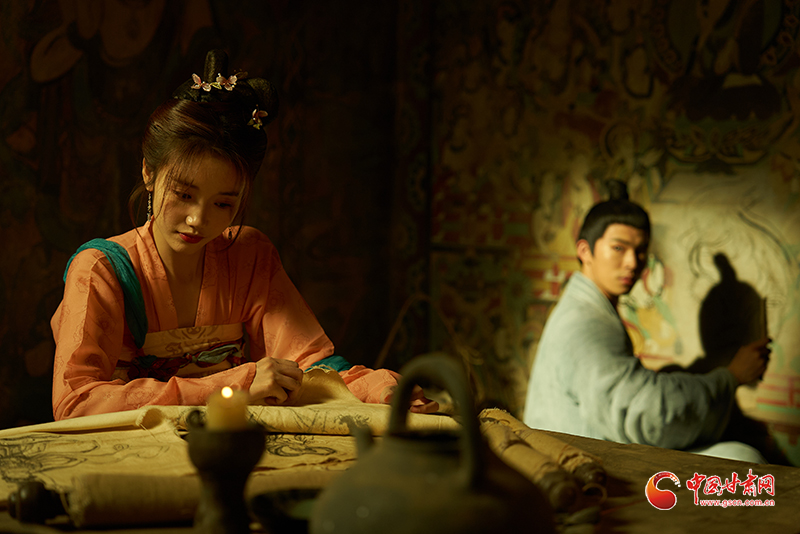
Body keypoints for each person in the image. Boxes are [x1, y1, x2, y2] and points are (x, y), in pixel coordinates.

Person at [51, 50, 437, 420]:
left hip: (229, 442)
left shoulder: (248, 255)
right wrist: (233, 385)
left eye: (223, 203)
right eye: (184, 195)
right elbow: (76, 402)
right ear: (149, 173)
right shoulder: (100, 270)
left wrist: (378, 388)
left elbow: (311, 365)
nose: (198, 220)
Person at [523, 181, 771, 462]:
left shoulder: (583, 306)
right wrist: (731, 377)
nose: (632, 262)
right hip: (573, 470)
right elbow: (647, 416)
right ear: (585, 251)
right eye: (619, 248)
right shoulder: (585, 323)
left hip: (580, 455)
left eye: (640, 250)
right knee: (742, 459)